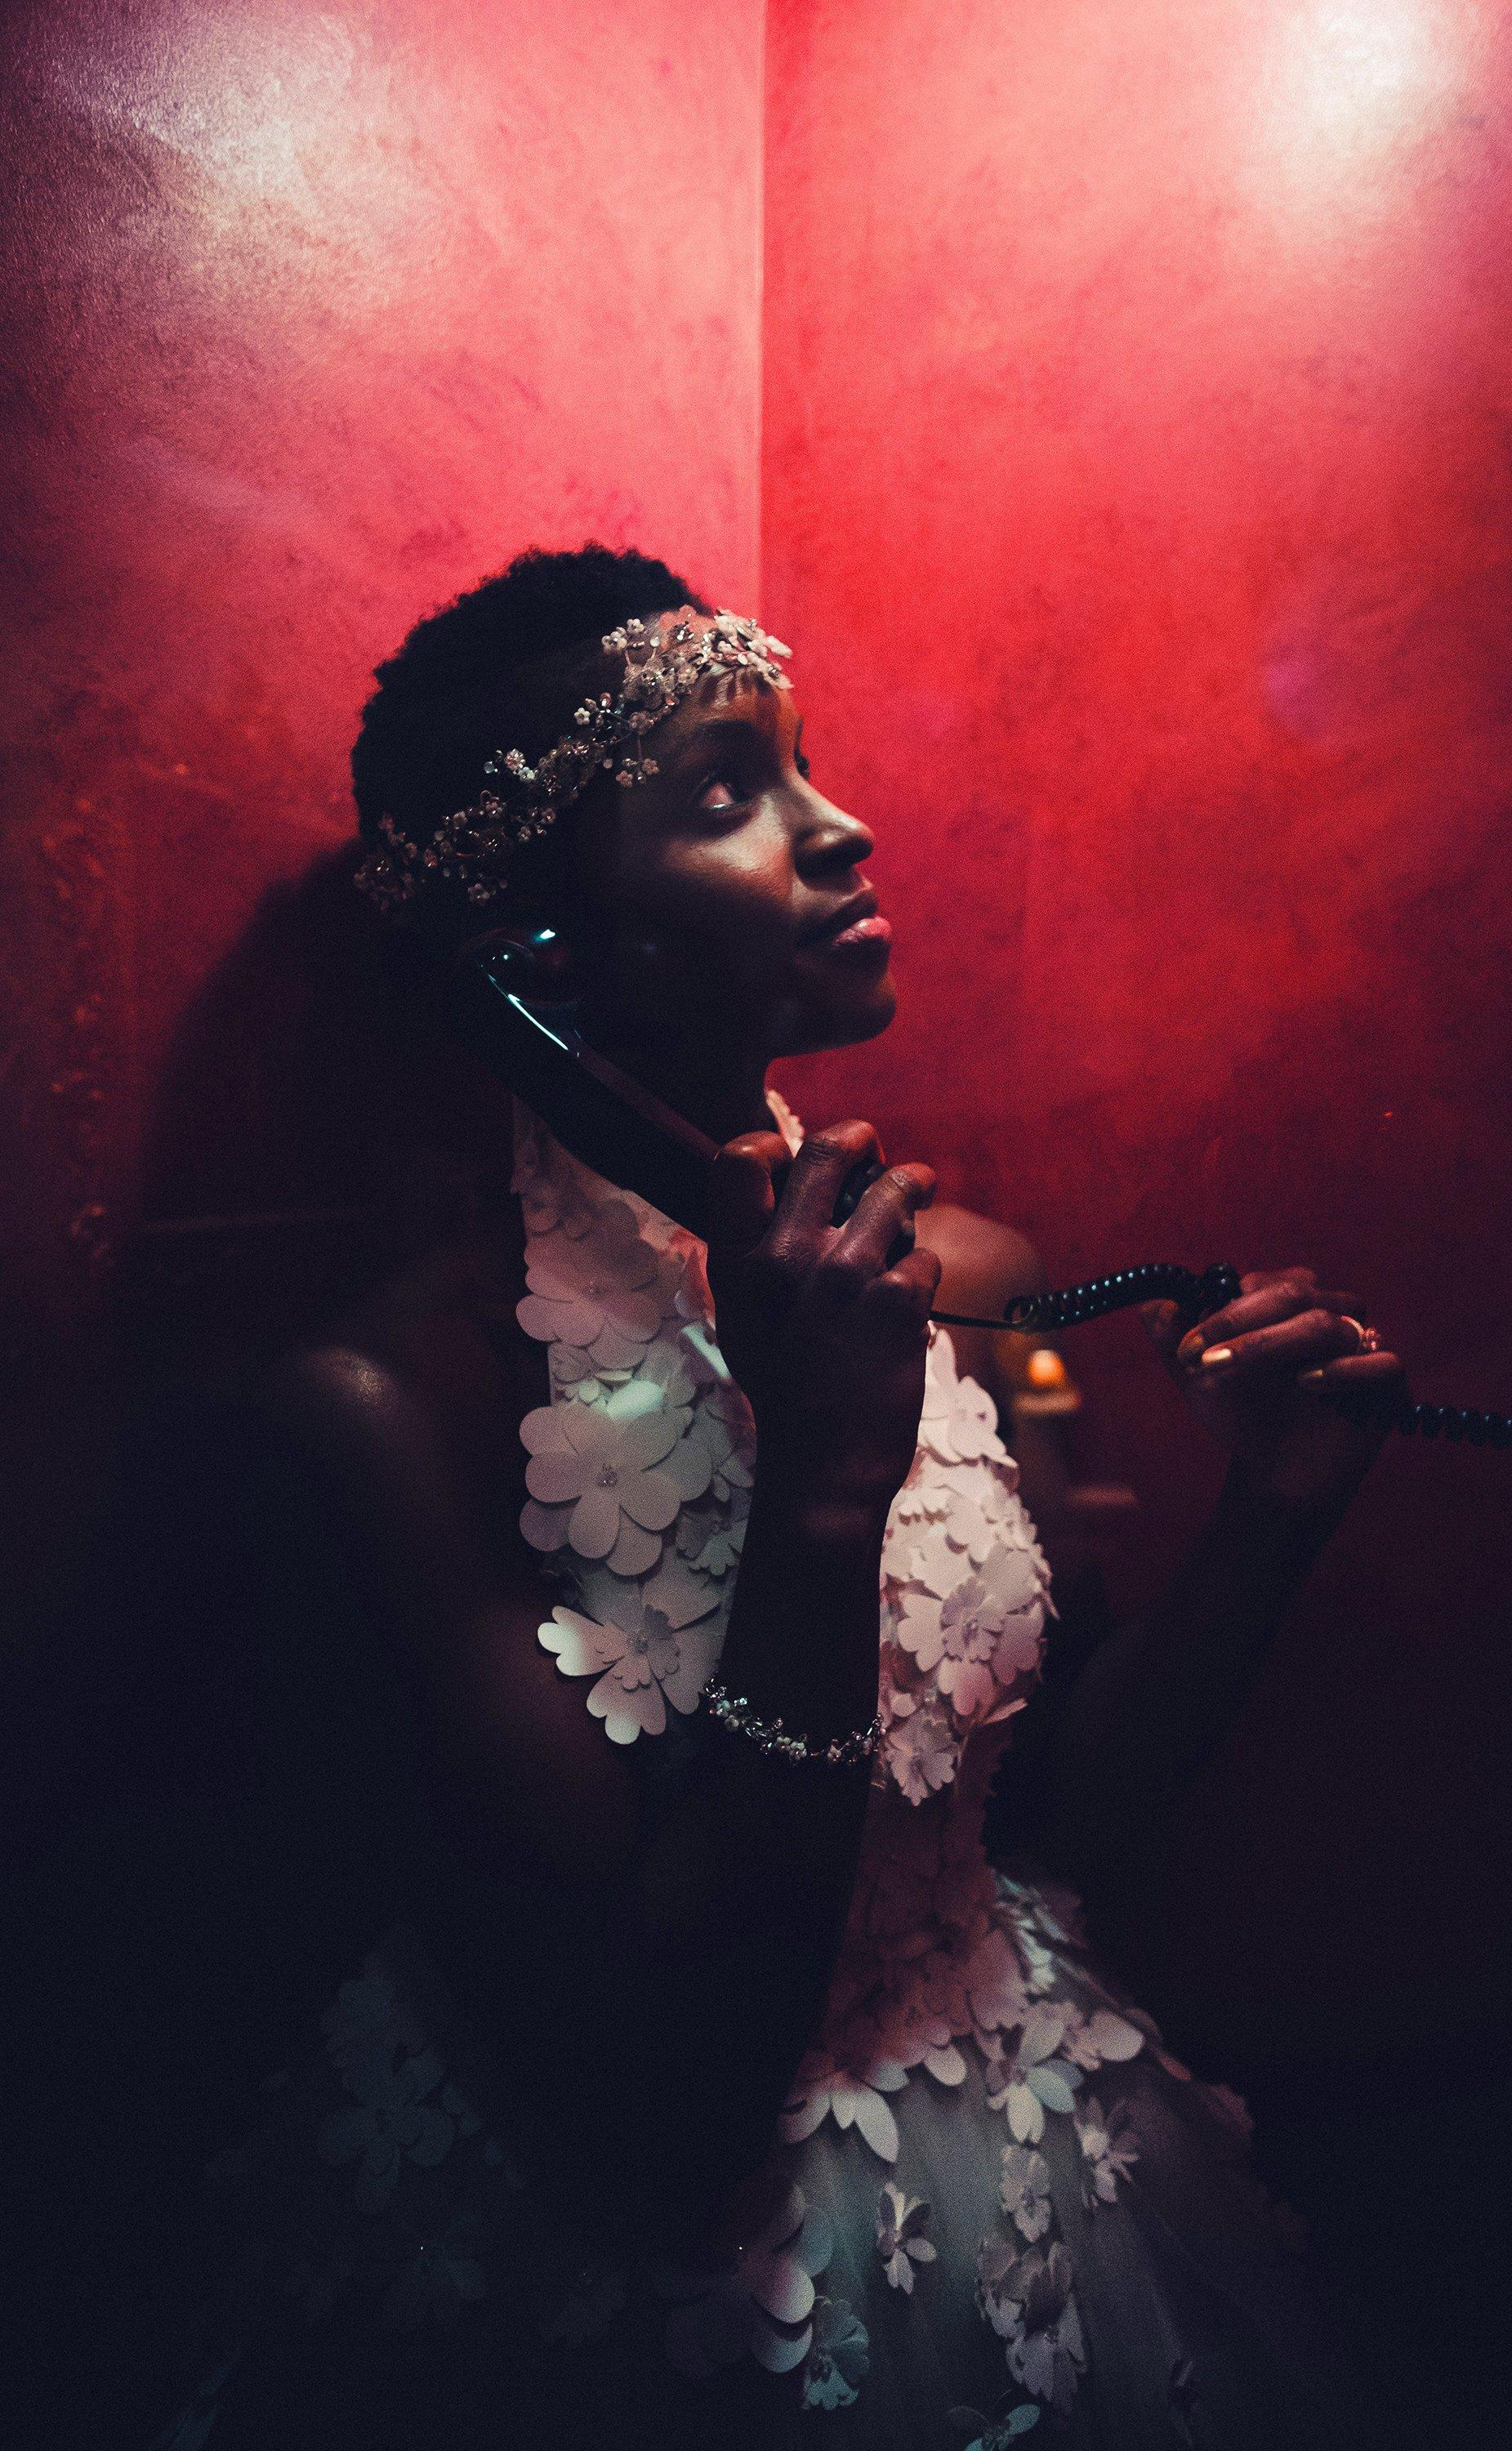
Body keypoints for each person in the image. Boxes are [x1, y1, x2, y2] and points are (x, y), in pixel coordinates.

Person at [136, 545, 1411, 2449]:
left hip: (1036, 2186)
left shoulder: (961, 1271)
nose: (846, 828)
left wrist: (1272, 1524)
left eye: (806, 763)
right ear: (532, 956)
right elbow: (662, 2107)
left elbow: (1055, 1823)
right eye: (728, 793)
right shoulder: (385, 1411)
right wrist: (820, 1490)